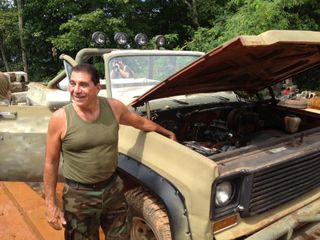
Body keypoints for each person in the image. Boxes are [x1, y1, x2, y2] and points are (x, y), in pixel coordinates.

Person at [43, 63, 176, 240]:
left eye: (83, 84)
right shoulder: (60, 119)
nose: (76, 90)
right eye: (73, 83)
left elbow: (141, 123)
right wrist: (50, 204)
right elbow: (50, 163)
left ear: (97, 88)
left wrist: (166, 132)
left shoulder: (114, 108)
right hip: (79, 195)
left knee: (121, 237)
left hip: (112, 188)